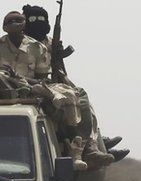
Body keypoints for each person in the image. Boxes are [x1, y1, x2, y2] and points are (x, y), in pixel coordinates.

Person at [22, 4, 129, 164]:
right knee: (68, 105)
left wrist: (58, 56)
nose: (37, 22)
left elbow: (60, 71)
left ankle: (93, 142)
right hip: (32, 85)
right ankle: (88, 145)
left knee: (82, 98)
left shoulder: (51, 42)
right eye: (32, 19)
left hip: (54, 83)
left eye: (41, 19)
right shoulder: (21, 43)